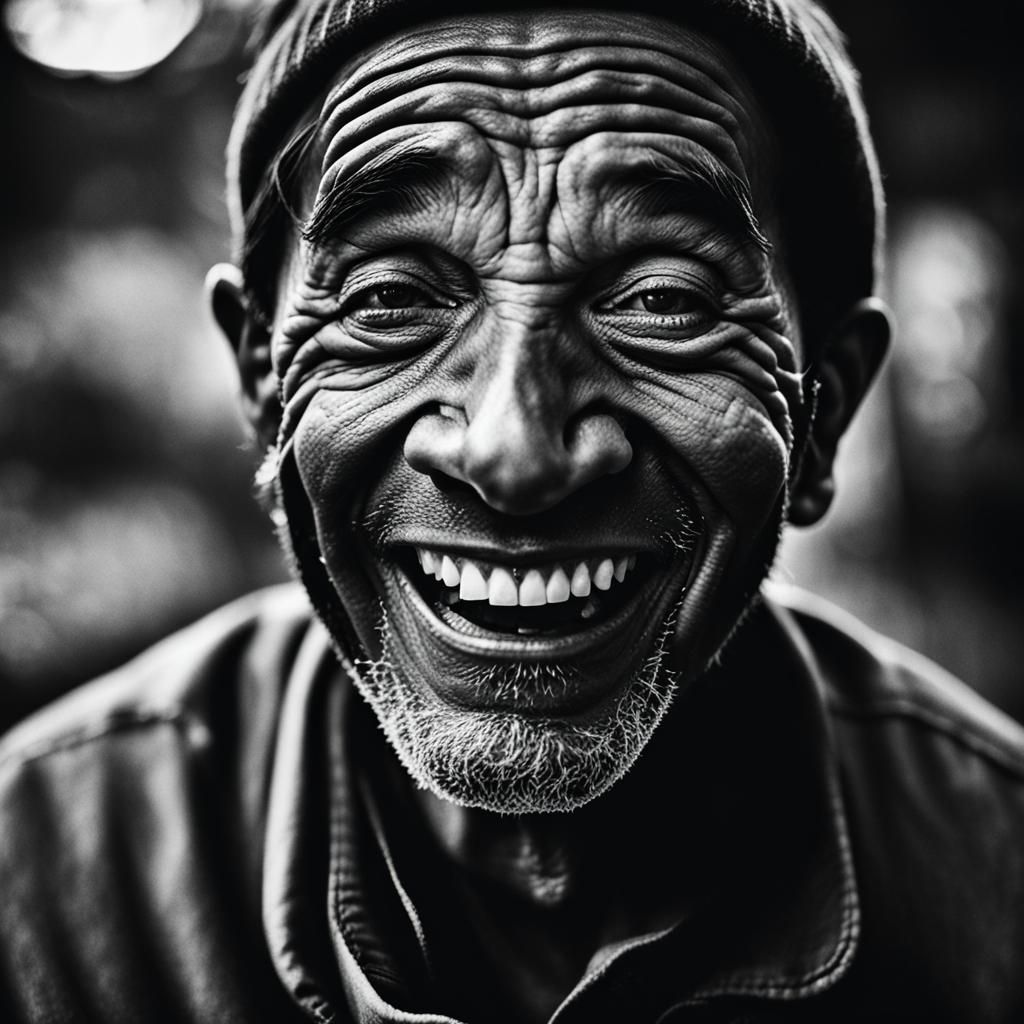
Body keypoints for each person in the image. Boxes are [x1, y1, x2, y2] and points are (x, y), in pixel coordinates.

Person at [2, 0, 1023, 1021]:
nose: (513, 452)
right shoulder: (39, 881)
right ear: (266, 387)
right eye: (390, 298)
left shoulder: (996, 890)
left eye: (662, 297)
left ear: (822, 411)